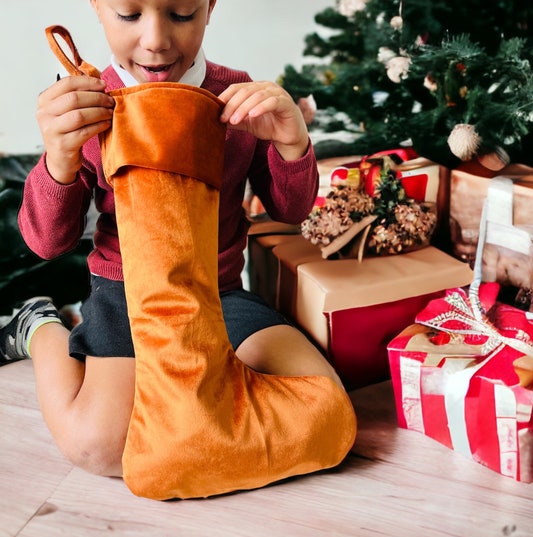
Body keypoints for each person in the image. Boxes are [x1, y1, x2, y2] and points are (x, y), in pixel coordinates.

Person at [1, 0, 344, 477]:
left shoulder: (237, 94)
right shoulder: (86, 102)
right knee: (98, 447)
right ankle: (39, 325)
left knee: (323, 406)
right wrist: (58, 160)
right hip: (125, 297)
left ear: (209, 7)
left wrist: (293, 143)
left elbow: (291, 210)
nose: (157, 39)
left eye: (181, 14)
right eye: (129, 15)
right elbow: (46, 242)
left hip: (219, 294)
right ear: (98, 7)